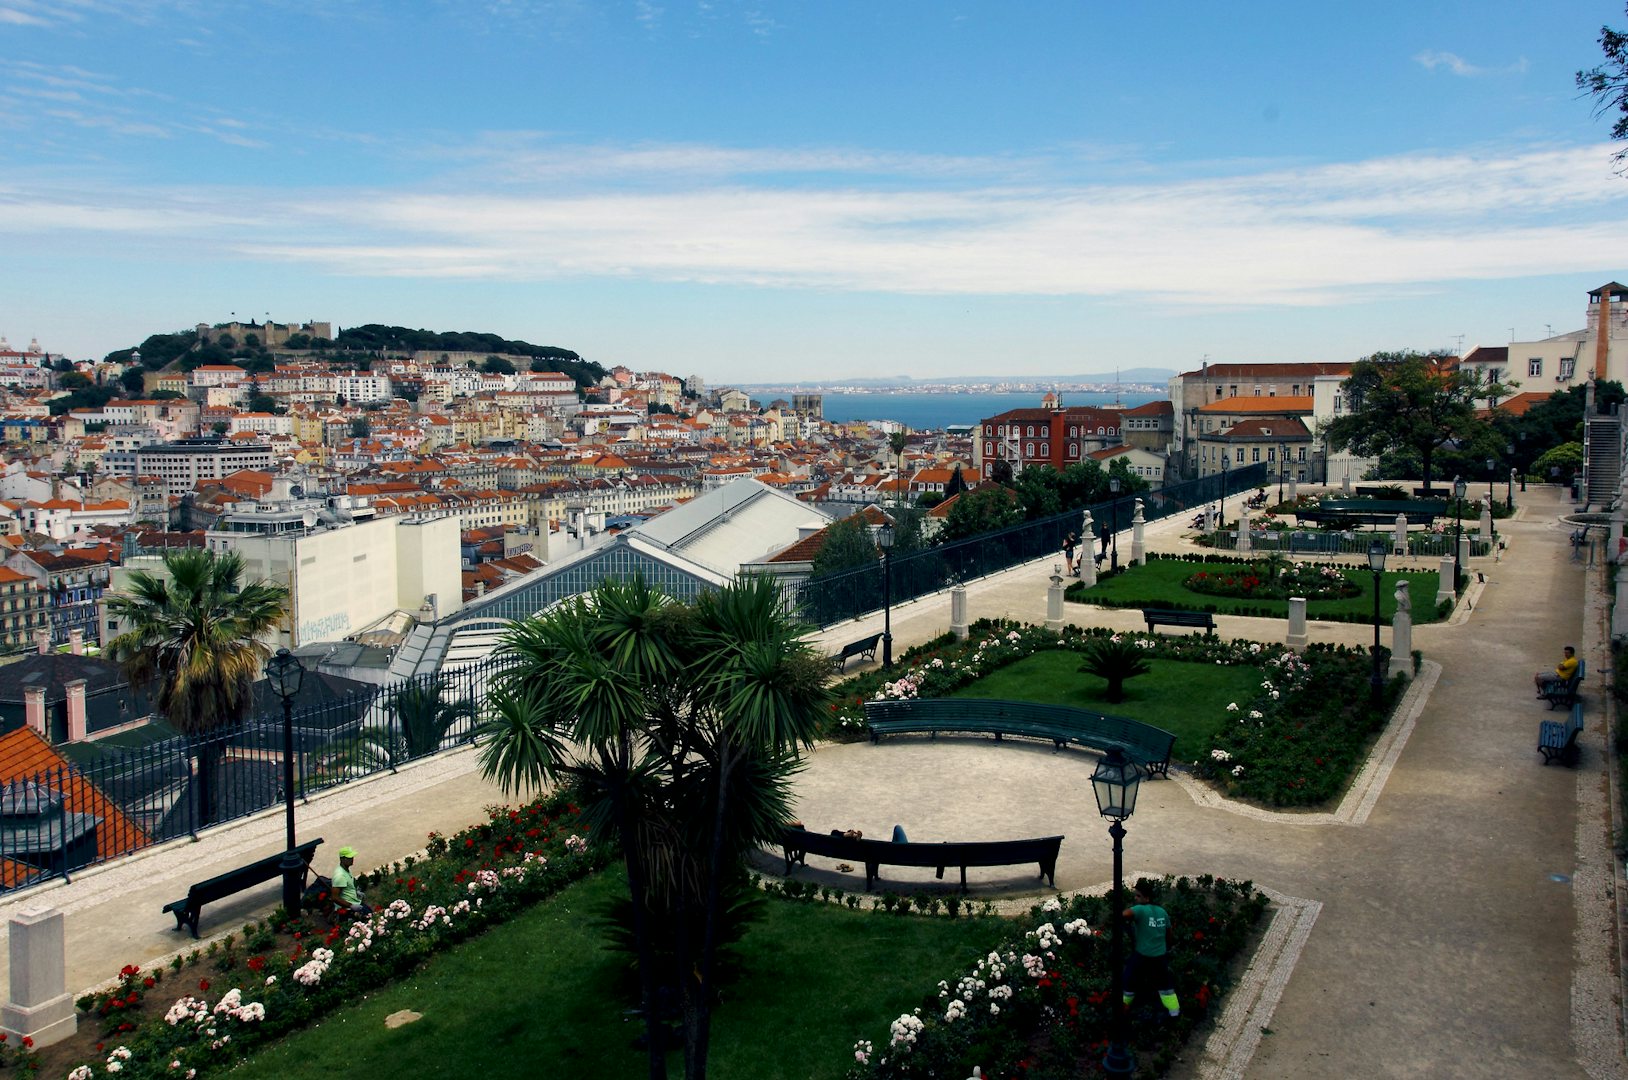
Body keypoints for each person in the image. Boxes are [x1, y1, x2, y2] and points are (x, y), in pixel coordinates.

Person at [1122, 879, 1179, 1019]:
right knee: (1165, 985)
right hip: (1160, 956)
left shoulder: (1140, 909)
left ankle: (1123, 1008)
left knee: (1130, 980)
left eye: (1138, 896)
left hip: (1142, 955)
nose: (1135, 898)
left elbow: (1125, 914)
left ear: (1147, 897)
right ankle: (1174, 1012)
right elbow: (1170, 936)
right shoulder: (1162, 912)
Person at [331, 846, 372, 916]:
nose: (352, 859)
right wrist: (351, 906)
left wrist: (356, 892)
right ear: (342, 859)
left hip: (355, 902)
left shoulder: (346, 869)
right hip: (347, 909)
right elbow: (335, 897)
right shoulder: (340, 876)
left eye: (352, 857)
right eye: (349, 858)